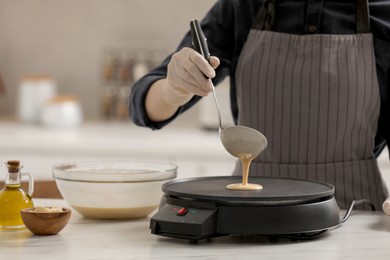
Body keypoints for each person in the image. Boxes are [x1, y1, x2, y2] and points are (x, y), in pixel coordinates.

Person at [130, 0, 390, 210]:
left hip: (357, 218)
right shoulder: (242, 6)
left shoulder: (384, 11)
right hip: (248, 215)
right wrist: (174, 89)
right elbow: (145, 105)